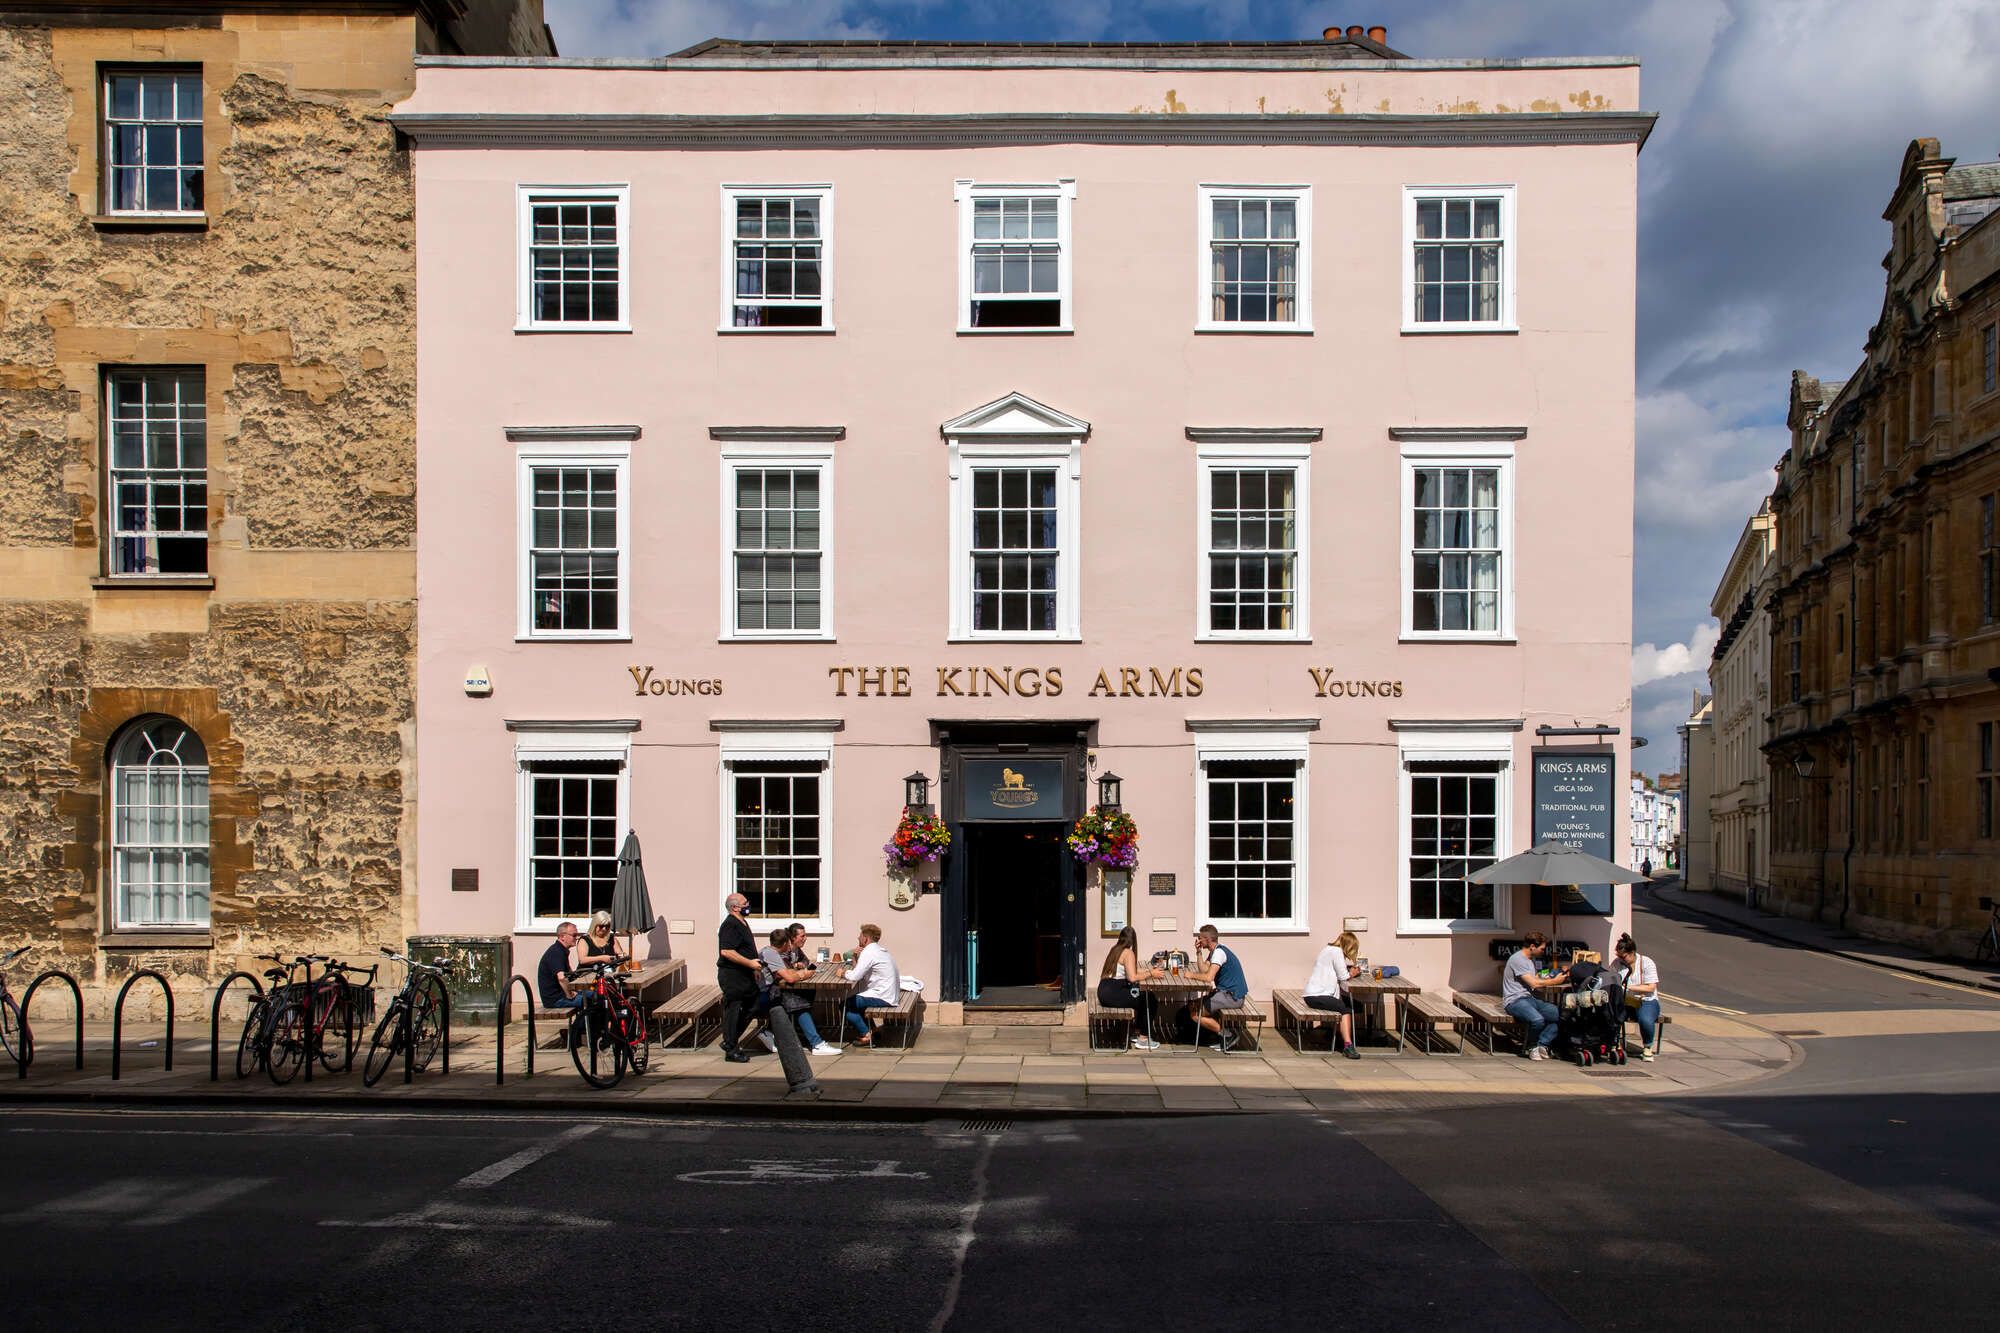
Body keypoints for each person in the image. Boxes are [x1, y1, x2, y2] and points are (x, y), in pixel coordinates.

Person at [764, 925, 839, 1056]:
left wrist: (801, 968)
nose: (805, 938)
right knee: (799, 1005)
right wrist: (802, 972)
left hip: (781, 987)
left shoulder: (794, 950)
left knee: (808, 992)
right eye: (802, 936)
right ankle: (817, 1044)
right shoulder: (778, 954)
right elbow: (789, 976)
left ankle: (772, 1031)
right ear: (790, 939)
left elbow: (806, 963)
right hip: (772, 991)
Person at [1502, 931, 1568, 1060]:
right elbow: (1534, 984)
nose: (1543, 951)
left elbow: (1536, 977)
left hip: (1530, 999)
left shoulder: (1530, 960)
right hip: (1515, 1001)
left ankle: (1542, 1045)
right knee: (1537, 1020)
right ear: (1532, 946)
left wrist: (1555, 973)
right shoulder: (1517, 959)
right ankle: (1531, 1048)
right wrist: (1555, 981)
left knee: (1560, 1015)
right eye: (1542, 948)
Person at [1187, 924, 1250, 1052]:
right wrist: (1198, 952)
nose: (1198, 941)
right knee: (1192, 1004)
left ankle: (1228, 1035)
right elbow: (1204, 969)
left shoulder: (1219, 953)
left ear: (1207, 939)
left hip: (1232, 996)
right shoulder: (1216, 951)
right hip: (1225, 994)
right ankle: (1219, 1036)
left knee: (1195, 1013)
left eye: (1200, 938)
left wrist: (1191, 975)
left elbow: (1209, 977)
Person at [717, 893, 764, 1063]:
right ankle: (731, 1048)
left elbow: (746, 949)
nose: (748, 905)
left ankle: (729, 1040)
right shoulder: (730, 925)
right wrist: (750, 964)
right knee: (734, 1011)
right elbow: (727, 951)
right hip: (732, 975)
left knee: (754, 1004)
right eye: (745, 903)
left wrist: (754, 969)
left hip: (746, 975)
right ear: (735, 907)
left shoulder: (742, 923)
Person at [1097, 927, 1160, 1051]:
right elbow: (1132, 977)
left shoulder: (1115, 949)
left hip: (1104, 990)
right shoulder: (1128, 952)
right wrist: (1152, 974)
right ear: (1133, 940)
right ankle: (1143, 1039)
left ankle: (1137, 1033)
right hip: (1113, 993)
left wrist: (1150, 970)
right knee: (1150, 999)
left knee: (1142, 997)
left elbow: (1131, 970)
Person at [838, 923, 900, 1048]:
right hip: (889, 993)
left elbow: (855, 976)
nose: (857, 938)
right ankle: (874, 1031)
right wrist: (855, 956)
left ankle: (866, 1034)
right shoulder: (878, 950)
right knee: (857, 1003)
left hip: (883, 996)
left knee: (845, 1005)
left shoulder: (869, 952)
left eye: (860, 936)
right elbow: (859, 971)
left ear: (865, 938)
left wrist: (843, 973)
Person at [1303, 930, 1362, 1059]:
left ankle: (1337, 1035)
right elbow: (1343, 976)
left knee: (1354, 1005)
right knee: (1345, 1009)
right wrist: (1353, 972)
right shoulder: (1337, 952)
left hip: (1313, 994)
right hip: (1317, 995)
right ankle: (1348, 1045)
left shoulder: (1329, 949)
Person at [1613, 931, 1662, 1060]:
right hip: (1625, 1000)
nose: (1620, 959)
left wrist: (1628, 987)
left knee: (1645, 1019)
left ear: (1632, 953)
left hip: (1646, 1000)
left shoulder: (1647, 962)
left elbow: (1651, 987)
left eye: (1623, 957)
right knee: (1612, 1013)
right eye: (1618, 956)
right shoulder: (1617, 963)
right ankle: (1614, 1043)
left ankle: (1647, 1047)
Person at [536, 921, 584, 1010]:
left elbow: (569, 974)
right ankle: (580, 1024)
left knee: (594, 994)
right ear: (562, 936)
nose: (576, 938)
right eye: (574, 935)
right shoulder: (556, 952)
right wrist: (570, 994)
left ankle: (584, 1023)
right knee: (592, 1000)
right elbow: (562, 978)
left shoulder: (561, 950)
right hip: (555, 999)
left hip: (560, 996)